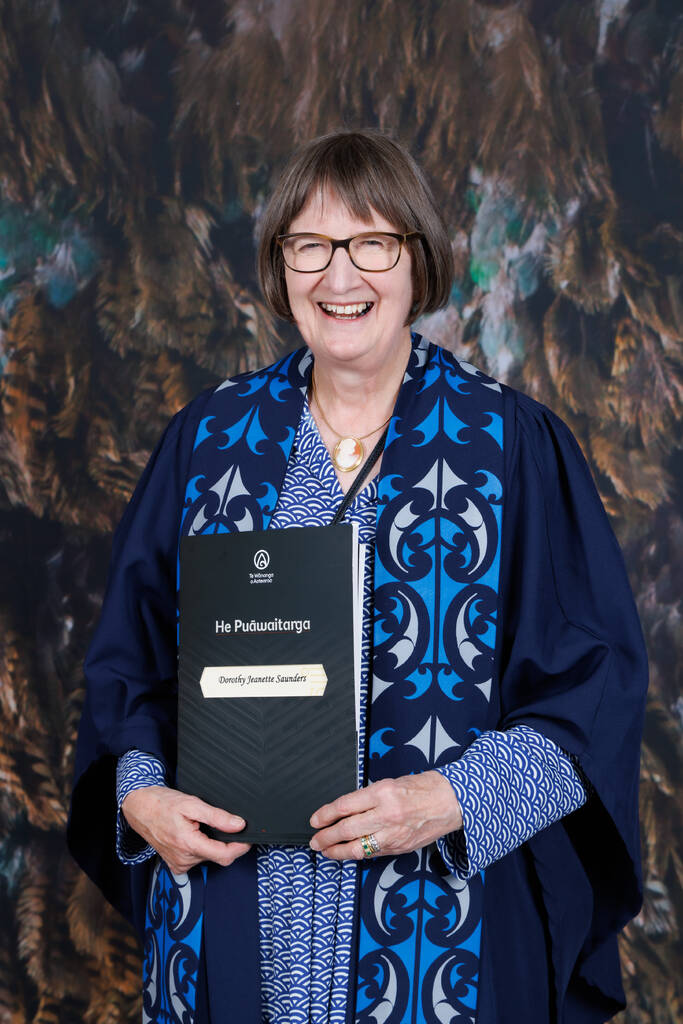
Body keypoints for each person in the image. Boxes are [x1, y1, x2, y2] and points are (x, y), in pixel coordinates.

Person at [68, 130, 648, 1024]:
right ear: (280, 267)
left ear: (418, 260)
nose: (340, 277)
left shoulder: (509, 448)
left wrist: (454, 797)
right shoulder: (208, 444)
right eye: (310, 245)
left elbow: (593, 685)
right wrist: (140, 791)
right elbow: (128, 667)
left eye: (372, 242)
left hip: (440, 923)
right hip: (229, 908)